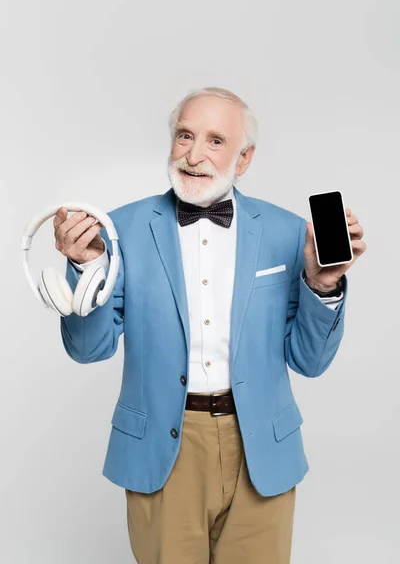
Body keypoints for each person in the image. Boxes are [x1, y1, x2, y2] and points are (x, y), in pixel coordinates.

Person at [54, 87, 367, 563]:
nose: (194, 155)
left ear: (244, 159)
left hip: (262, 446)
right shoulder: (117, 229)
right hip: (162, 444)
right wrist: (86, 270)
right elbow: (88, 349)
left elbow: (310, 360)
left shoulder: (288, 232)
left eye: (216, 141)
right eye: (185, 136)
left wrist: (321, 285)